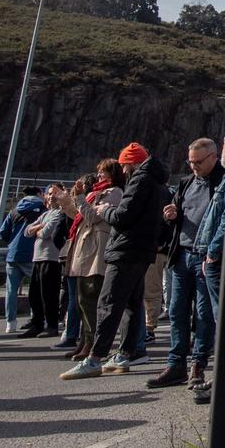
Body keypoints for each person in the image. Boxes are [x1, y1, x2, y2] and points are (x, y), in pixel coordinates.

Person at [62, 142, 166, 379]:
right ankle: (125, 353)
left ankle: (95, 358)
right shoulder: (155, 180)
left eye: (123, 165)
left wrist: (104, 211)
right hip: (141, 250)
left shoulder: (140, 180)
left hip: (126, 249)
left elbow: (124, 215)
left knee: (108, 302)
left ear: (129, 163)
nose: (123, 170)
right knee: (131, 303)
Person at [147, 138, 223, 389]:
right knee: (178, 311)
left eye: (199, 162)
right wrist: (172, 216)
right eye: (190, 162)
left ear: (214, 156)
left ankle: (198, 364)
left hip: (205, 257)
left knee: (203, 314)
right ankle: (175, 363)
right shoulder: (186, 182)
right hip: (181, 253)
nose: (194, 167)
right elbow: (178, 213)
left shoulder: (223, 181)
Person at [189, 131, 225, 405]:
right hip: (211, 254)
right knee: (216, 317)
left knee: (223, 320)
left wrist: (213, 254)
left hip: (218, 257)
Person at [59, 171, 117, 364]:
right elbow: (79, 216)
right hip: (84, 251)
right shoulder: (94, 196)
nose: (100, 178)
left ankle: (91, 343)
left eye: (103, 174)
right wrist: (70, 200)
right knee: (82, 302)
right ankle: (84, 340)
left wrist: (80, 198)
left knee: (91, 302)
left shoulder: (113, 193)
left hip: (95, 255)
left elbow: (91, 217)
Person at [0, 186, 45, 334]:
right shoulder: (42, 210)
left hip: (13, 254)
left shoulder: (14, 211)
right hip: (33, 254)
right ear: (39, 194)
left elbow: (3, 232)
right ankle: (34, 318)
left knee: (11, 291)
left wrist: (12, 242)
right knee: (37, 289)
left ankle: (10, 323)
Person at [22, 184, 68, 337]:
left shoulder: (59, 214)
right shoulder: (45, 214)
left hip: (51, 258)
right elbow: (26, 232)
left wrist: (38, 229)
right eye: (49, 194)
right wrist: (39, 227)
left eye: (54, 194)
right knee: (34, 294)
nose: (51, 196)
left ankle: (52, 325)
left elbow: (47, 233)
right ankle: (37, 323)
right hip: (38, 257)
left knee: (49, 295)